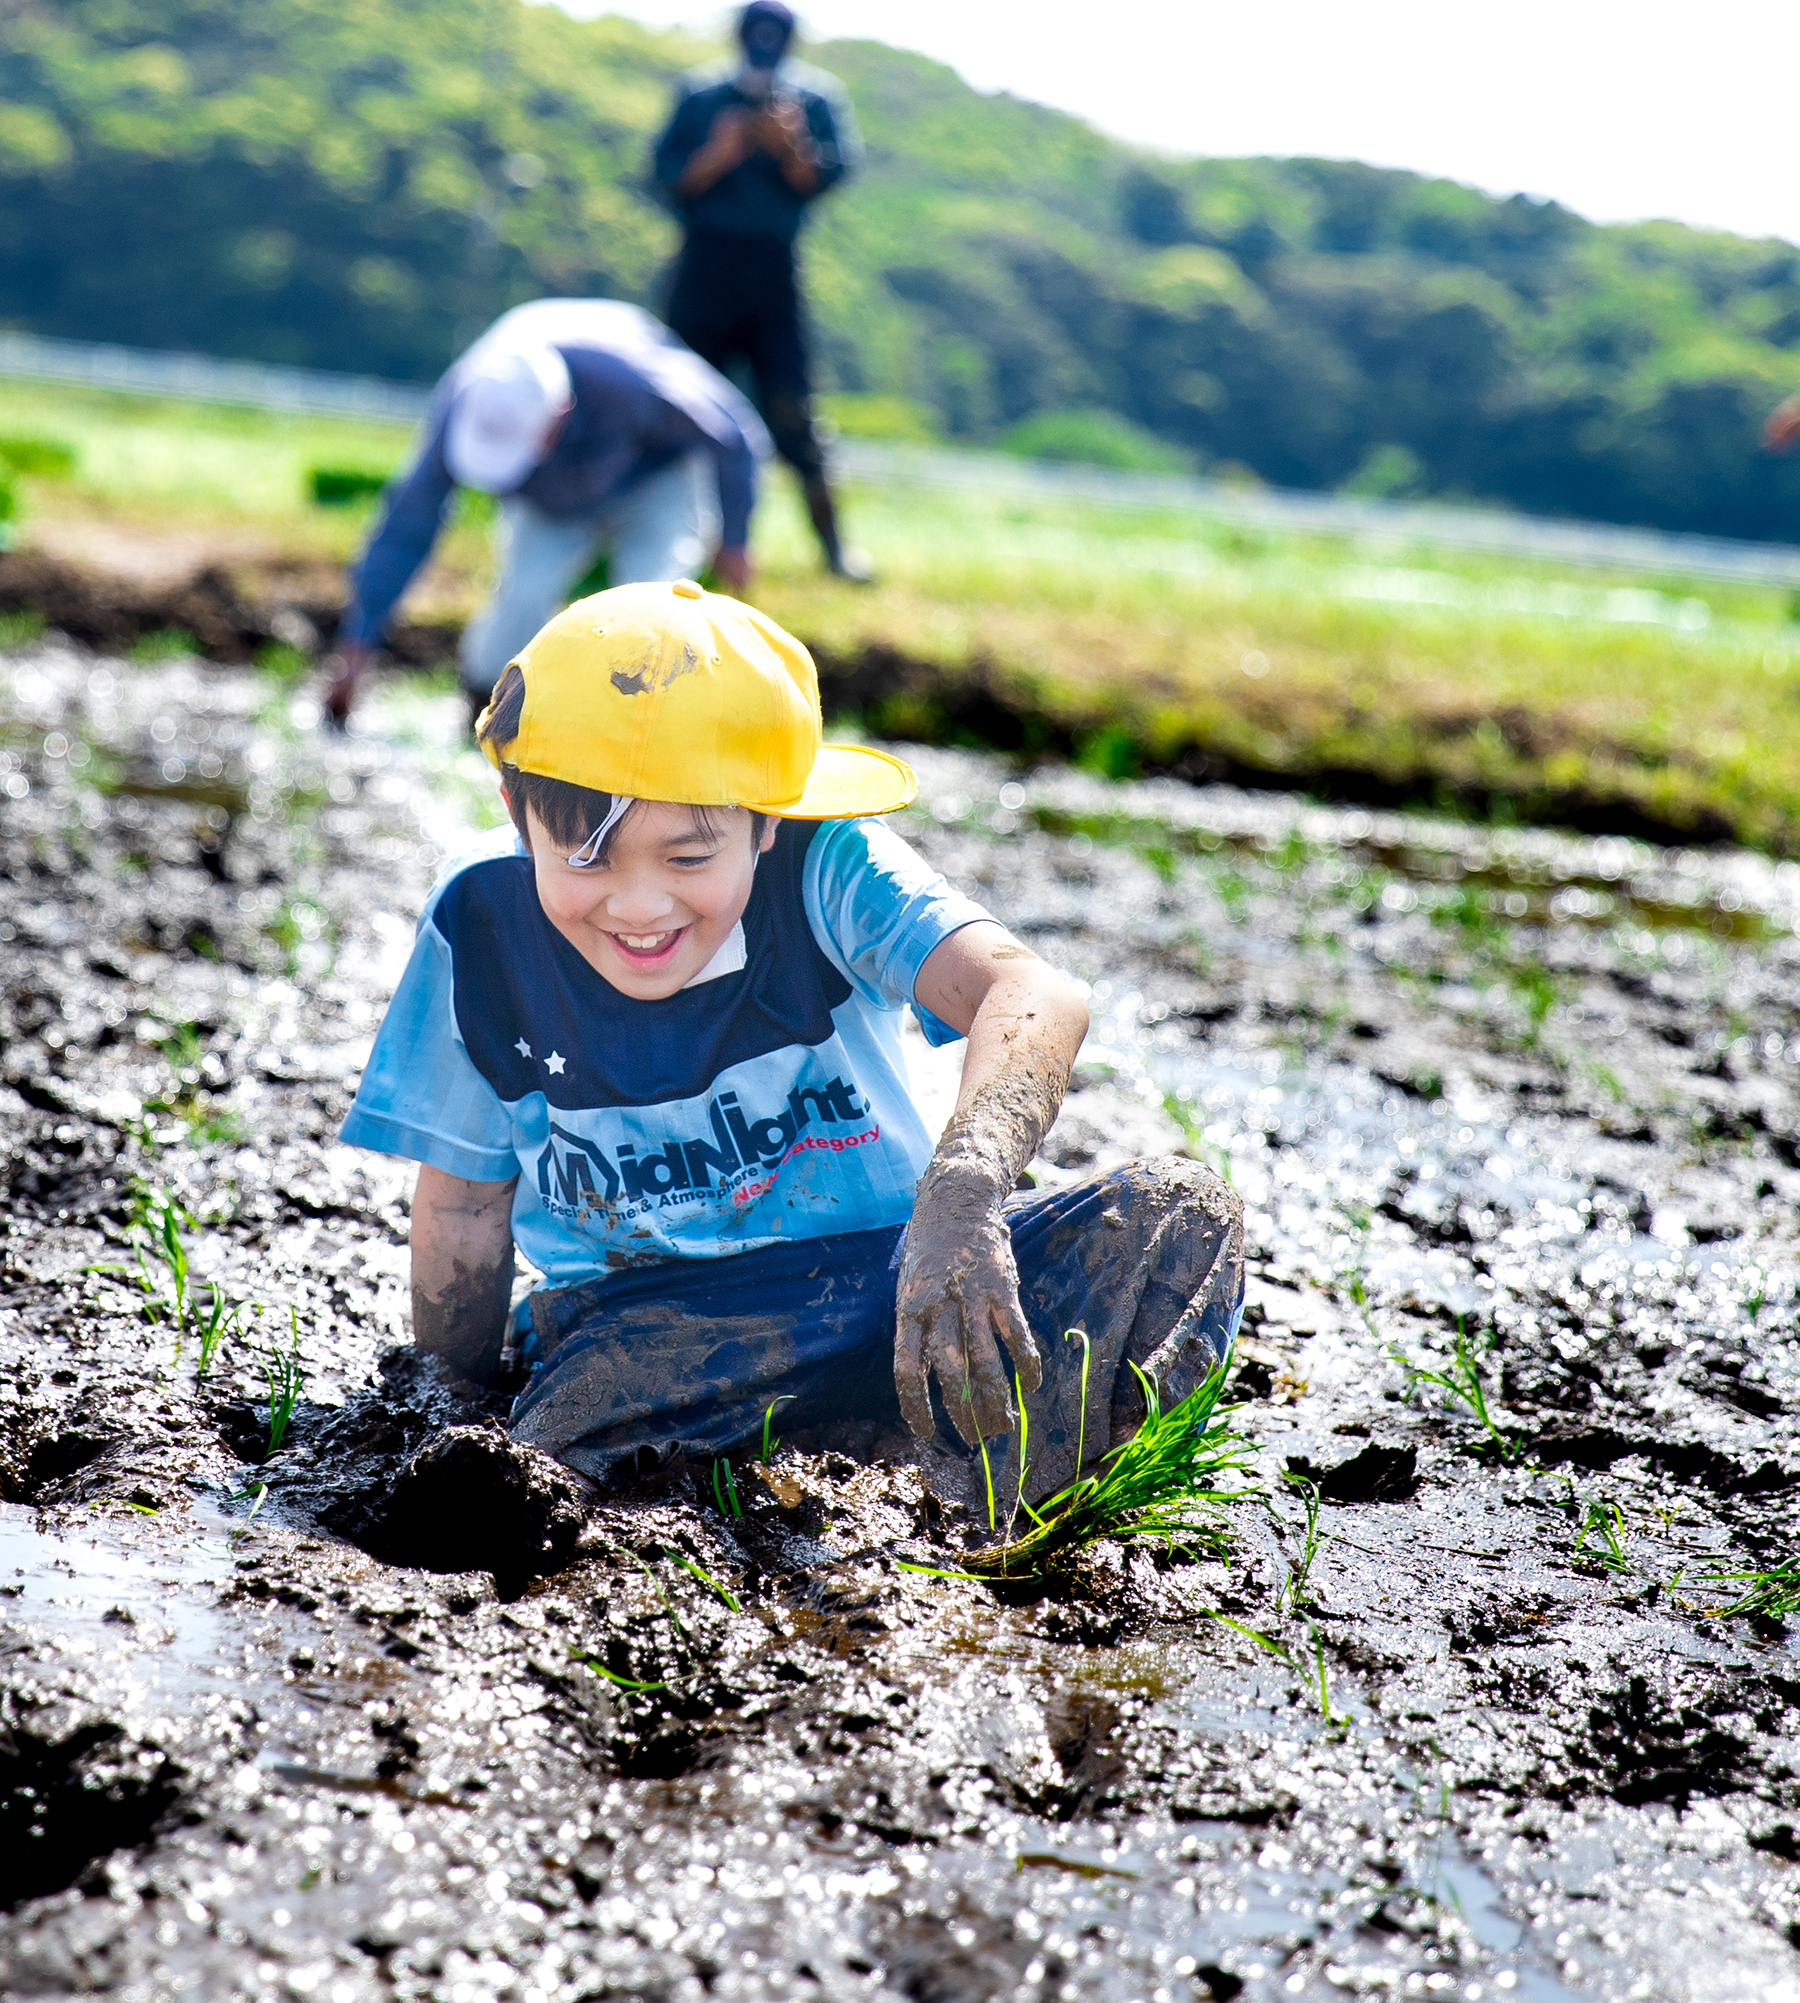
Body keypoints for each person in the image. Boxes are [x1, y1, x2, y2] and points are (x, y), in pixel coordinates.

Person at [338, 579, 1244, 1511]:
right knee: (557, 1446)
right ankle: (894, 1476)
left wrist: (963, 1203)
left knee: (1177, 1217)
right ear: (514, 804)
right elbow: (464, 1208)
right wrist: (446, 1410)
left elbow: (1033, 993)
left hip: (903, 1287)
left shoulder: (829, 867)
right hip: (655, 1334)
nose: (639, 905)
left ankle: (978, 1503)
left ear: (770, 821)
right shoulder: (481, 921)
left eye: (689, 858)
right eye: (585, 856)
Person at [324, 299, 768, 727]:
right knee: (523, 595)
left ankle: (636, 732)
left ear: (561, 414)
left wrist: (735, 540)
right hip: (553, 498)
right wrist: (356, 648)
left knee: (653, 608)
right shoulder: (469, 397)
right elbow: (409, 521)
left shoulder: (637, 376)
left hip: (656, 476)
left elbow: (737, 437)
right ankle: (482, 713)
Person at [653, 0, 871, 582]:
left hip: (774, 270)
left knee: (793, 410)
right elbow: (667, 183)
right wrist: (720, 153)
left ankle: (835, 551)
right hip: (703, 267)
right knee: (676, 405)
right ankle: (657, 536)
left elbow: (824, 182)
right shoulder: (701, 96)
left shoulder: (815, 102)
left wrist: (787, 145)